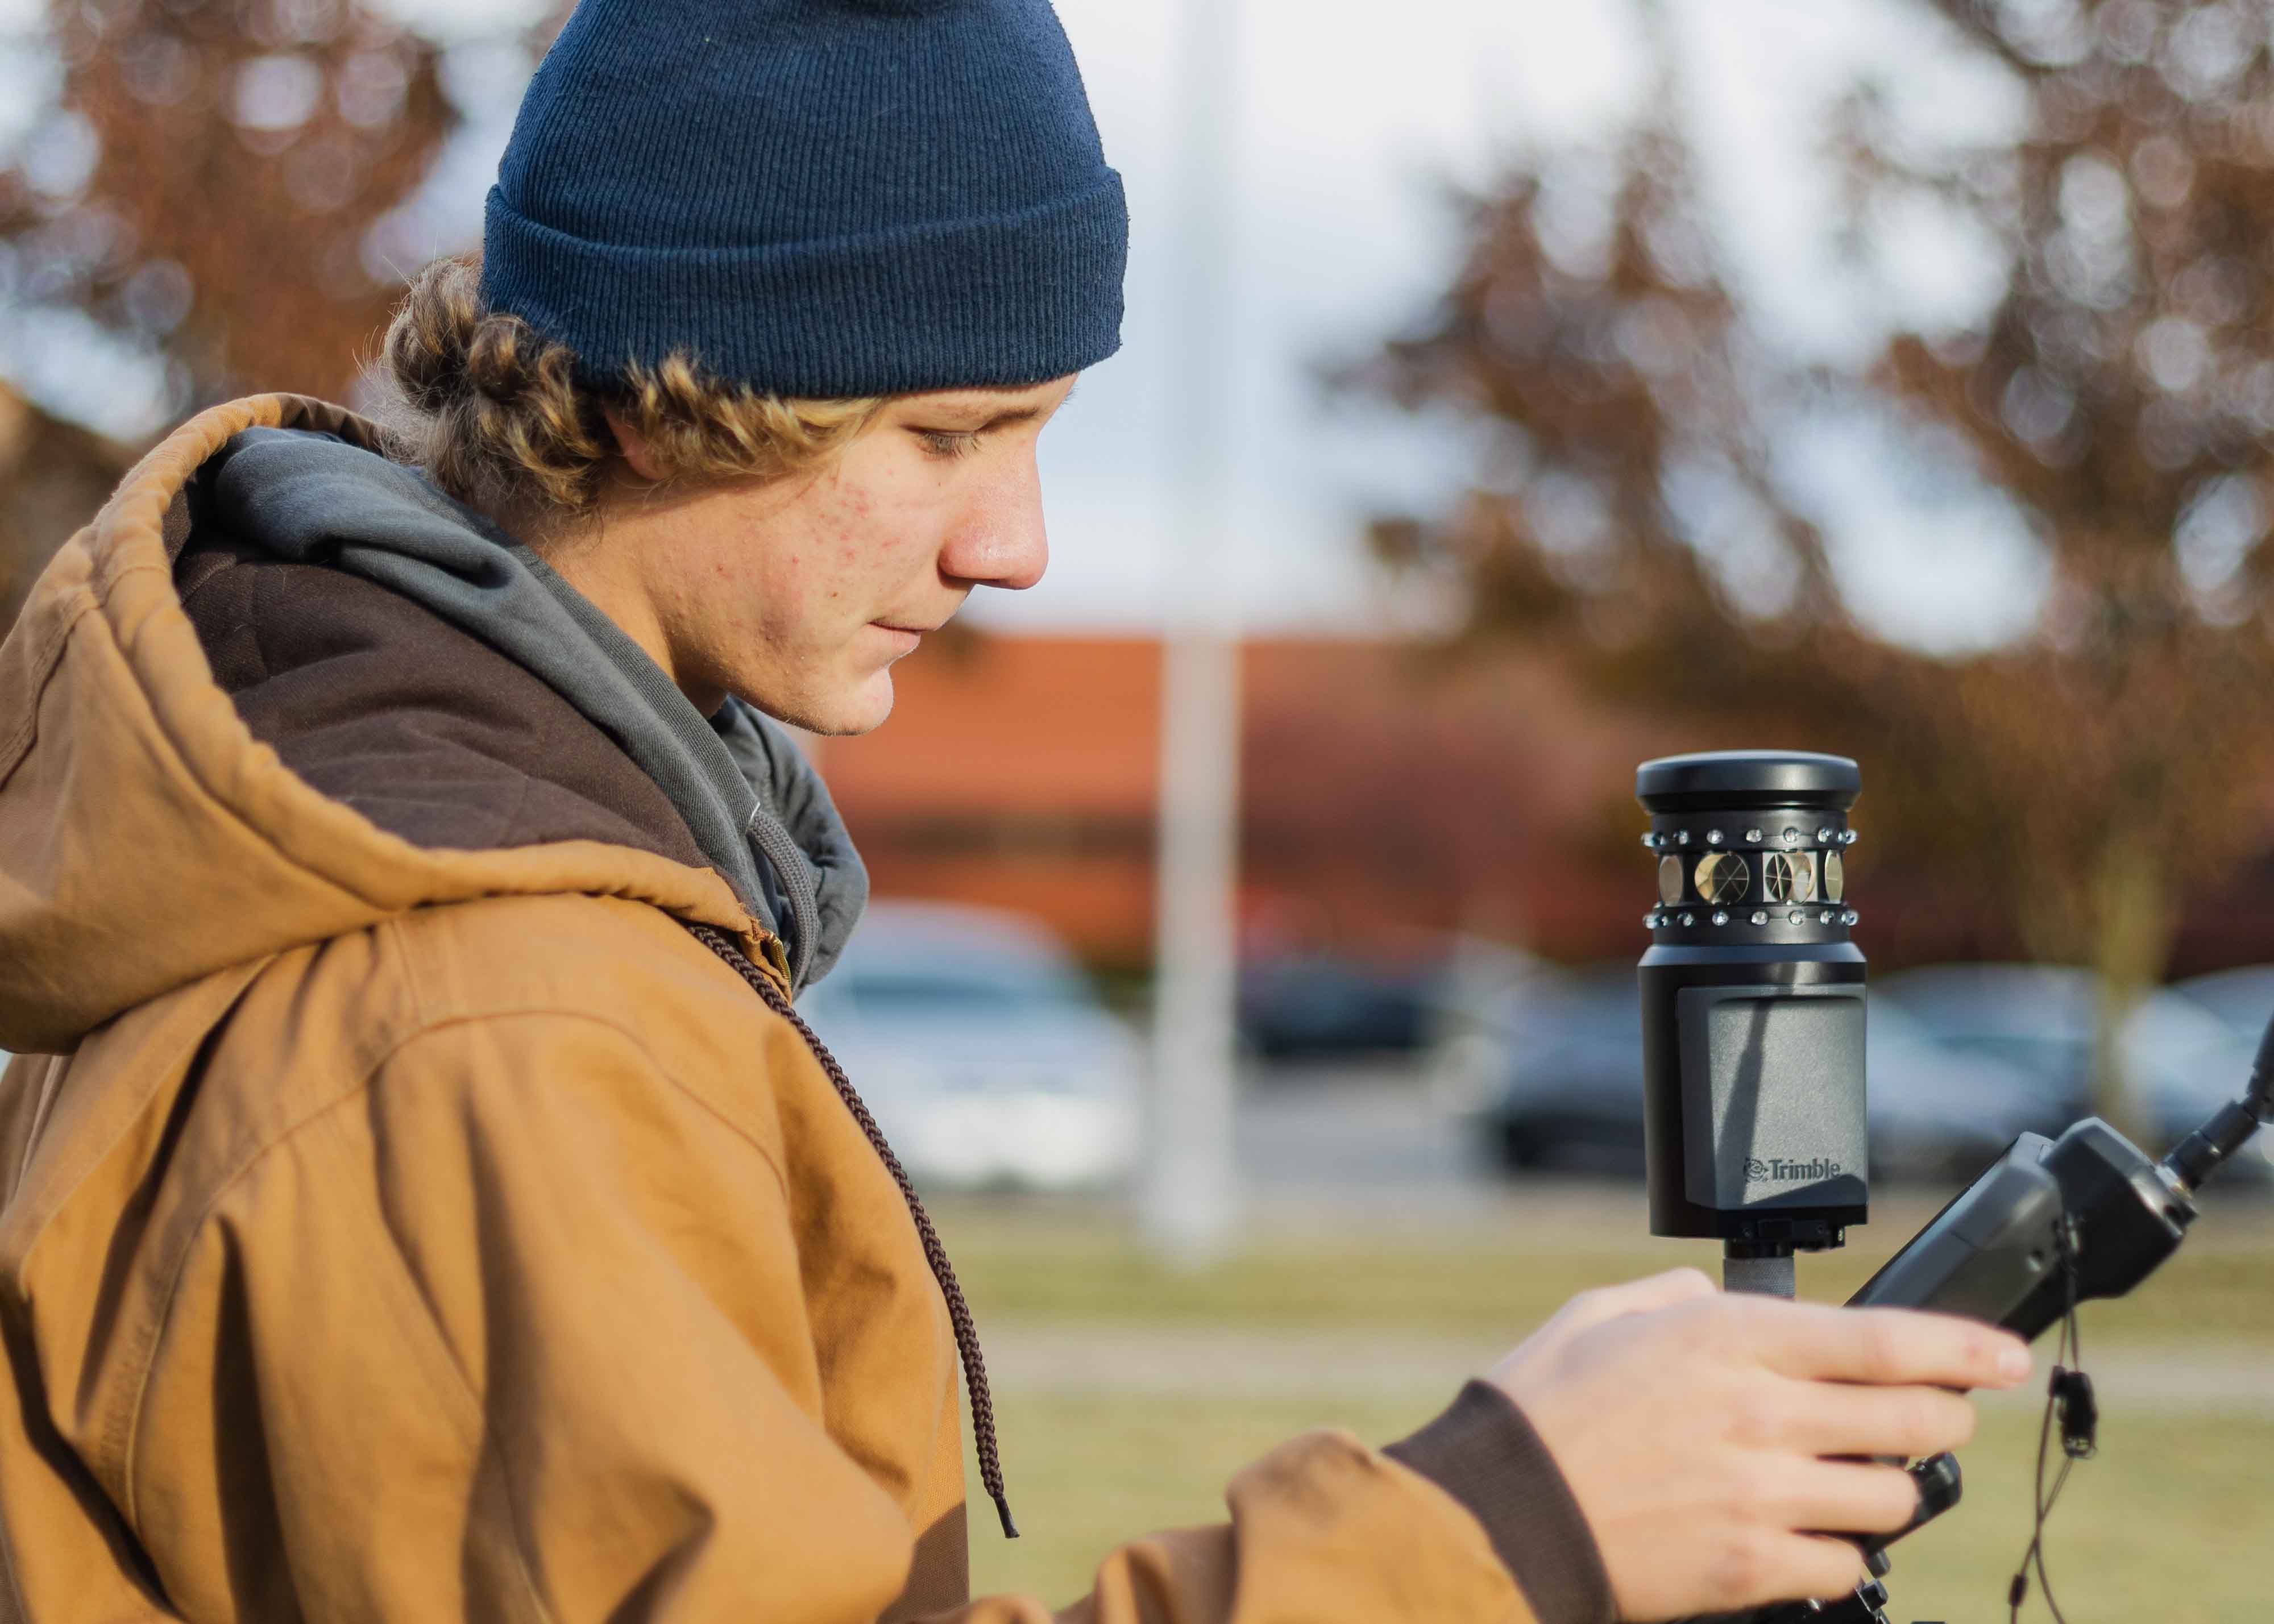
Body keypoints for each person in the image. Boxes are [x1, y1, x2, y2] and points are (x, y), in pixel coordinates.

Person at [0, 2, 2031, 1621]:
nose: (1021, 544)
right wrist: (1515, 1523)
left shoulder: (408, 842)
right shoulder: (487, 1010)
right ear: (651, 399)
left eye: (1045, 431)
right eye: (949, 430)